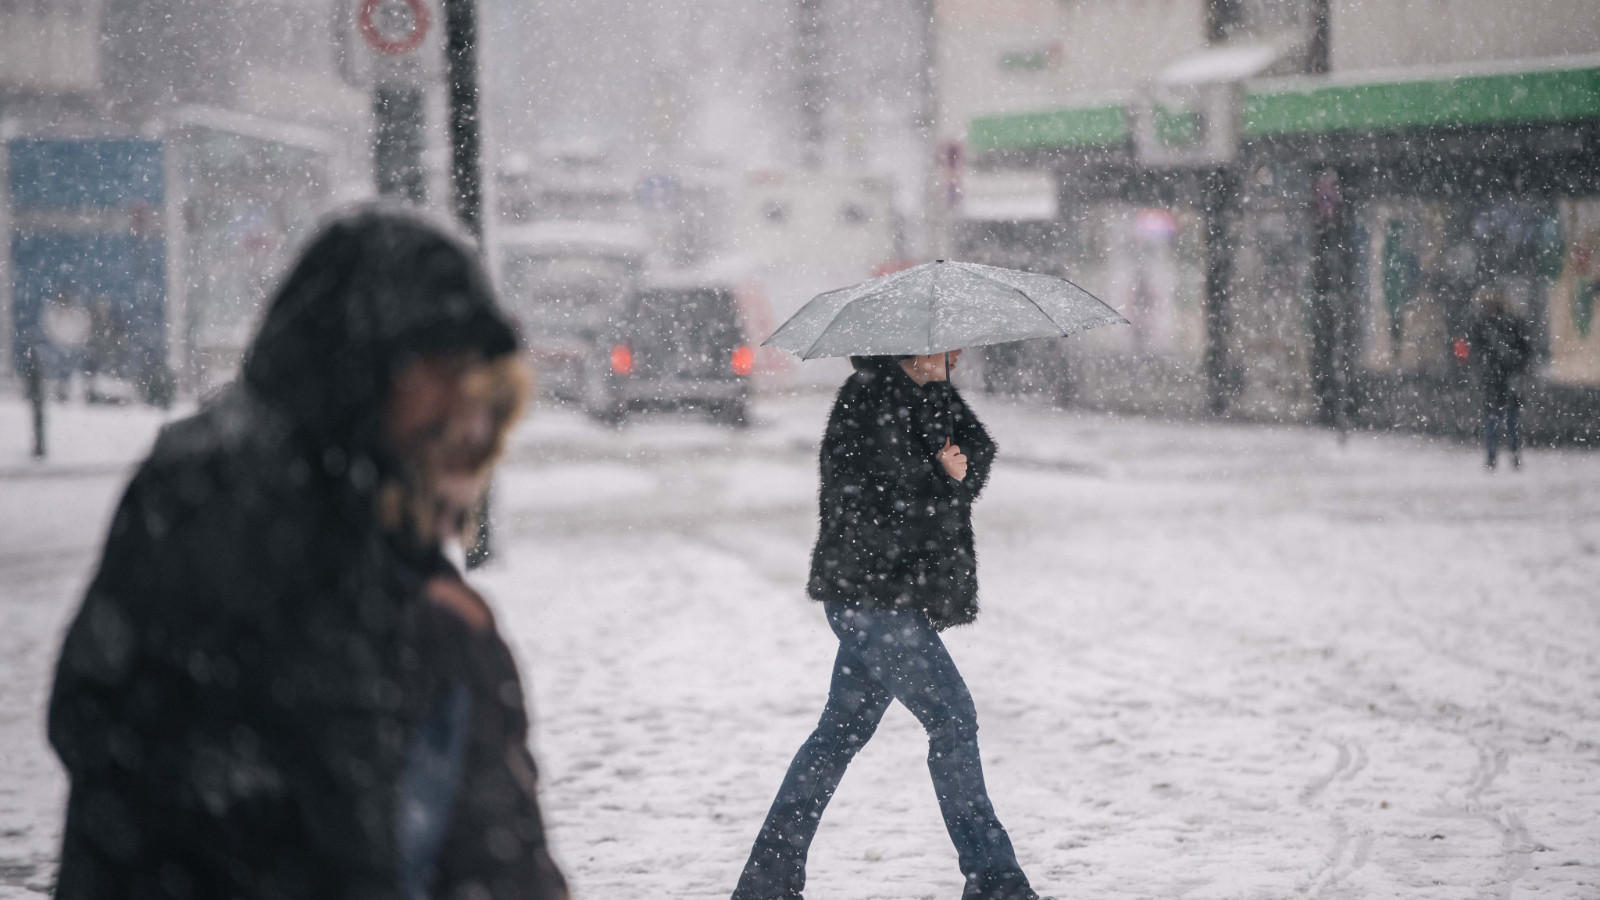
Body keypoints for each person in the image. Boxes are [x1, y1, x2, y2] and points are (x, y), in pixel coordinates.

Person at [48, 205, 568, 900]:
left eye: (475, 382)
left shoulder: (371, 542)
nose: (464, 413)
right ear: (365, 362)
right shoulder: (237, 509)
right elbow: (337, 812)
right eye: (443, 369)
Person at [732, 351, 1040, 900]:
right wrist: (943, 477)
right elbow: (881, 504)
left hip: (887, 599)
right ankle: (995, 881)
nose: (955, 355)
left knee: (836, 737)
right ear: (908, 349)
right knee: (952, 719)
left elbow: (974, 454)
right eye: (943, 346)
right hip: (872, 598)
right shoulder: (868, 401)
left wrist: (957, 467)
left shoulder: (932, 397)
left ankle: (766, 883)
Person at [1469, 292, 1533, 470]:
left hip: (1505, 380)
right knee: (1495, 421)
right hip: (1496, 381)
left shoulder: (1508, 325)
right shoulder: (1486, 325)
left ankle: (1509, 455)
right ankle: (1496, 456)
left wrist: (1512, 365)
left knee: (1506, 421)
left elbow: (1525, 351)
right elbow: (1476, 351)